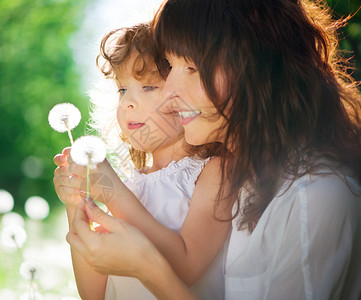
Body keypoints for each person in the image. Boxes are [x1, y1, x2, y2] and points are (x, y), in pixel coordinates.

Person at [65, 0, 361, 299]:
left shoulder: (312, 197)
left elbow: (188, 263)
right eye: (170, 67)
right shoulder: (249, 181)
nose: (169, 90)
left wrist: (147, 267)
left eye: (192, 67)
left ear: (253, 68)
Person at [53, 22, 232, 299]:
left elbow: (187, 266)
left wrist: (112, 193)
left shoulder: (214, 171)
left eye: (148, 86)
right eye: (122, 90)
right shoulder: (133, 185)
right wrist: (75, 202)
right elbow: (94, 293)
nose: (127, 103)